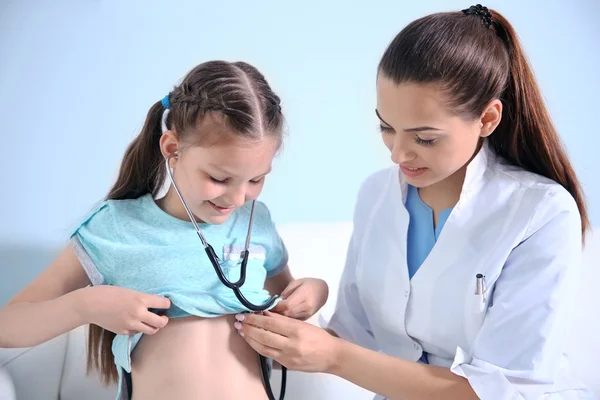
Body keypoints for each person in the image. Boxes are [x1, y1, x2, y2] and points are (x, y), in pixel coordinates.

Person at [233, 5, 595, 399]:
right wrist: (305, 311)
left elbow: (496, 391)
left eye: (424, 138)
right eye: (386, 128)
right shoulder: (375, 195)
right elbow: (356, 340)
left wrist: (333, 355)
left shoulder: (541, 212)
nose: (398, 154)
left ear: (488, 119)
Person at [0, 60, 329, 400]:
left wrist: (314, 294)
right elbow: (8, 325)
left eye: (256, 179)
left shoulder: (255, 223)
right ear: (172, 148)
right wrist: (88, 304)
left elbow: (289, 324)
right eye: (219, 178)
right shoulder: (115, 227)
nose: (238, 196)